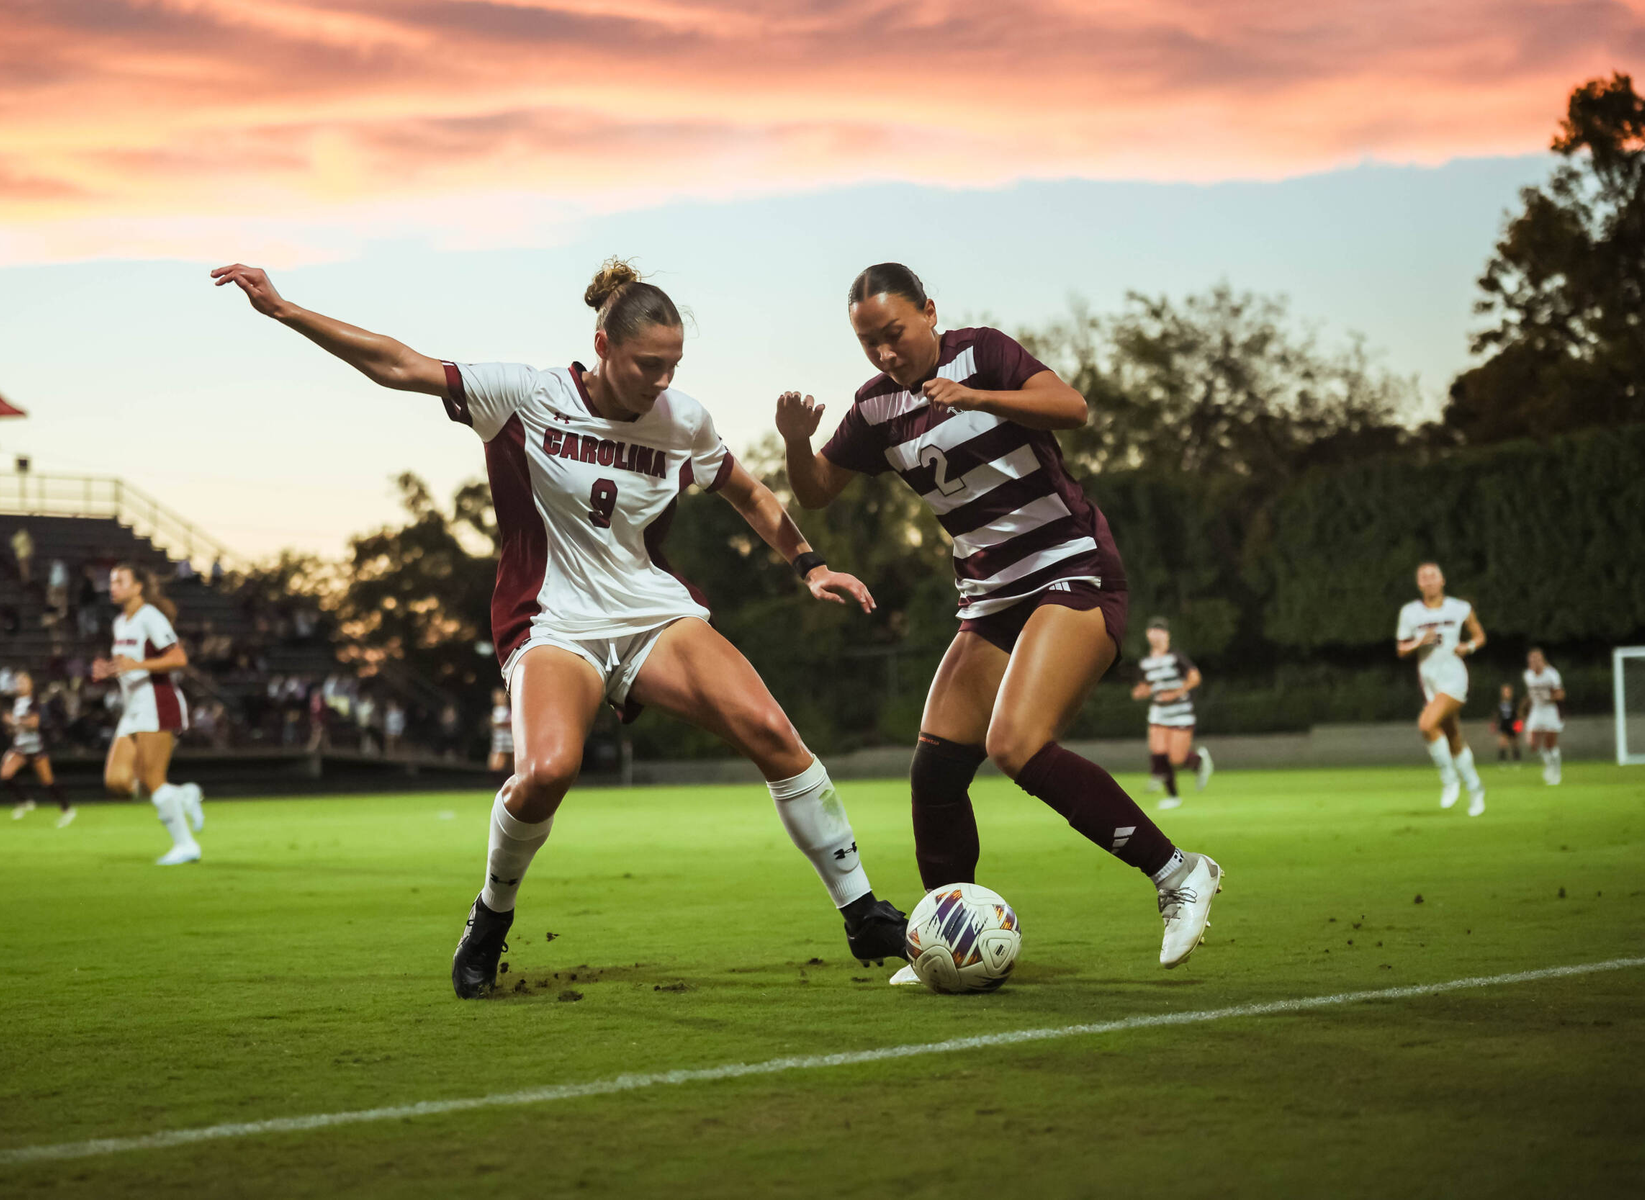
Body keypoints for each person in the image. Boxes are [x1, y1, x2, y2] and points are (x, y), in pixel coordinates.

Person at [214, 256, 913, 999]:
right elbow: (399, 364)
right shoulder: (526, 394)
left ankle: (862, 911)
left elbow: (745, 490)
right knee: (546, 772)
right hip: (554, 623)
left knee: (773, 732)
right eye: (649, 364)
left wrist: (810, 565)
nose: (663, 381)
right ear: (604, 346)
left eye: (674, 364)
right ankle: (490, 918)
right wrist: (287, 311)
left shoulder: (683, 419)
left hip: (653, 614)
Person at [777, 262, 1223, 977]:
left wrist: (977, 395)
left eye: (895, 334)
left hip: (1070, 569)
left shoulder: (981, 353)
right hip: (990, 596)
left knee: (1016, 744)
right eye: (869, 344)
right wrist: (798, 442)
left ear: (929, 311)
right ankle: (947, 937)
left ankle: (1179, 873)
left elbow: (1072, 407)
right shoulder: (873, 409)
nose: (886, 354)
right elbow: (818, 492)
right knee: (936, 770)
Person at [91, 564, 205, 864]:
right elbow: (127, 664)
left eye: (119, 581)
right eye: (111, 580)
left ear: (138, 586)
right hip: (133, 709)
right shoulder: (120, 623)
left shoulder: (150, 617)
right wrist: (109, 669)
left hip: (157, 701)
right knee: (117, 782)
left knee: (152, 778)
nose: (112, 586)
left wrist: (137, 666)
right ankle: (183, 795)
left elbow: (178, 657)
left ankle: (186, 845)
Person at [1396, 561, 1487, 814]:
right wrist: (1418, 642)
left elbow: (1479, 635)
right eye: (1423, 577)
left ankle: (1450, 780)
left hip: (1454, 678)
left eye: (1432, 575)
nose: (1428, 580)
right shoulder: (1410, 612)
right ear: (1418, 584)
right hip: (1430, 682)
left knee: (1426, 724)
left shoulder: (1459, 608)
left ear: (1442, 580)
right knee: (1454, 738)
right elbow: (1401, 649)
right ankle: (1476, 788)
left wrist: (1467, 647)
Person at [1131, 618, 1214, 811]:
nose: (1155, 634)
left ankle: (1199, 761)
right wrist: (1140, 692)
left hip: (1180, 713)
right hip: (1159, 712)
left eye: (1159, 631)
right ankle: (1172, 796)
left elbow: (1195, 677)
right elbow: (1143, 688)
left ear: (1166, 635)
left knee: (1176, 759)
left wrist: (1178, 691)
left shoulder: (1175, 657)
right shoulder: (1146, 662)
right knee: (1159, 753)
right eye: (1151, 631)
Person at [2, 671, 75, 827]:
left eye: (23, 681)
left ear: (31, 684)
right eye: (18, 682)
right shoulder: (14, 703)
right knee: (5, 774)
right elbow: (11, 727)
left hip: (35, 747)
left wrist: (13, 722)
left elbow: (33, 723)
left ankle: (67, 810)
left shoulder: (34, 701)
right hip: (20, 748)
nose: (20, 684)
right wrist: (11, 726)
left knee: (47, 782)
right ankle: (24, 801)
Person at [1522, 648, 1566, 785]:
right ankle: (1548, 765)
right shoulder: (1527, 675)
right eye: (1530, 660)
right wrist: (1523, 707)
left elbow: (1561, 694)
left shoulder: (1551, 674)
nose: (1533, 662)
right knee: (1532, 743)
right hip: (1536, 710)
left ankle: (1556, 770)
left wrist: (1549, 697)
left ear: (1542, 660)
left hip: (1549, 710)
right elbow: (1531, 694)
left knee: (1550, 744)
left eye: (1535, 660)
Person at [1492, 683, 1522, 765]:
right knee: (1502, 743)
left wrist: (1518, 727)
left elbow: (1518, 715)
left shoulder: (1514, 703)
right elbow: (1497, 714)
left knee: (1515, 743)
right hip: (1503, 724)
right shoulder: (1500, 703)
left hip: (1512, 724)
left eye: (1508, 692)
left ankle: (1517, 761)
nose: (1506, 693)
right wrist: (1494, 724)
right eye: (1505, 692)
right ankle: (1502, 761)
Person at [486, 686, 513, 774]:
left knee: (511, 766)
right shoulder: (496, 711)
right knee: (496, 766)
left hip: (510, 742)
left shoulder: (509, 710)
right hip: (500, 742)